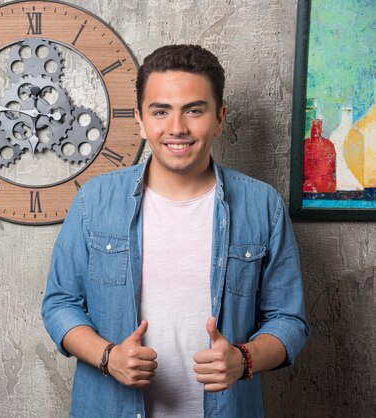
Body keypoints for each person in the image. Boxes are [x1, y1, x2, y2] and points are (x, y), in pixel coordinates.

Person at [41, 44, 310, 417]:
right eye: (160, 111)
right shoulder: (94, 201)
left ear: (219, 118)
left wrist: (244, 360)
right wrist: (108, 357)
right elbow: (60, 304)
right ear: (139, 119)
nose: (177, 128)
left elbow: (289, 319)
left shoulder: (263, 206)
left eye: (194, 111)